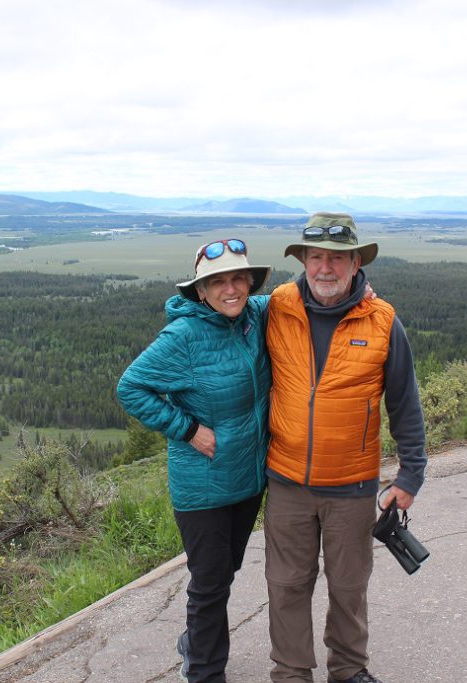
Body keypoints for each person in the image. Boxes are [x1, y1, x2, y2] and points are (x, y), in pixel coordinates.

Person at [263, 212, 428, 683]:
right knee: (287, 585)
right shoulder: (277, 306)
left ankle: (349, 671)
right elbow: (224, 313)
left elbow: (404, 402)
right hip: (287, 480)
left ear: (357, 263)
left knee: (349, 587)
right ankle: (291, 672)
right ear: (303, 261)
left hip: (353, 487)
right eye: (316, 257)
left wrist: (410, 476)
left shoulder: (382, 321)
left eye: (338, 258)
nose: (325, 268)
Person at [117, 238, 272, 683]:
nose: (230, 289)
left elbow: (301, 295)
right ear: (199, 292)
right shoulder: (183, 337)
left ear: (249, 283)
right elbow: (131, 388)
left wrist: (360, 288)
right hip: (202, 485)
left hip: (246, 477)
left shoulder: (255, 315)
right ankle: (204, 671)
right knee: (209, 583)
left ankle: (193, 640)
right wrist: (187, 428)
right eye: (216, 281)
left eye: (237, 278)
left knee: (225, 572)